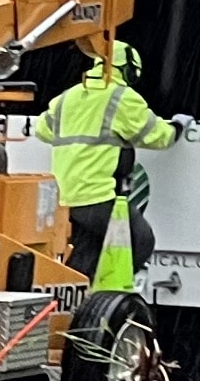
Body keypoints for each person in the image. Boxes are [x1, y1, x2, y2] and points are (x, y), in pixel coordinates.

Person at [39, 38, 174, 293]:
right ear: (130, 69)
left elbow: (42, 130)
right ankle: (108, 298)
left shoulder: (68, 96)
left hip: (64, 197)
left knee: (84, 256)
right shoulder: (122, 97)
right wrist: (177, 127)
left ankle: (77, 307)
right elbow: (158, 136)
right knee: (140, 241)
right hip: (97, 195)